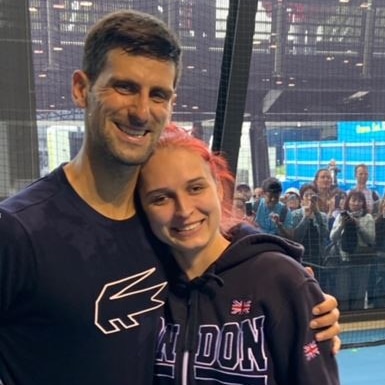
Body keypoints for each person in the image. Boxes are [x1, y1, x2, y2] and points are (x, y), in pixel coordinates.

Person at [0, 10, 339, 385]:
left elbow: (224, 247)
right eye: (124, 87)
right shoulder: (18, 232)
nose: (141, 111)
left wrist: (293, 291)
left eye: (157, 94)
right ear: (82, 89)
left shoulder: (157, 227)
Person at [136, 126, 340, 385]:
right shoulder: (139, 286)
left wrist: (301, 295)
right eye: (161, 198)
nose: (184, 210)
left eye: (196, 188)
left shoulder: (281, 280)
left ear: (219, 189)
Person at [330, 190, 375, 310]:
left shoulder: (368, 217)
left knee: (359, 294)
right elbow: (332, 237)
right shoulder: (341, 216)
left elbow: (371, 239)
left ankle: (358, 320)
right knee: (343, 293)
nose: (356, 203)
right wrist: (341, 226)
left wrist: (358, 225)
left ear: (363, 203)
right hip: (344, 261)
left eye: (359, 200)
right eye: (353, 200)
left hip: (362, 262)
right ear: (348, 202)